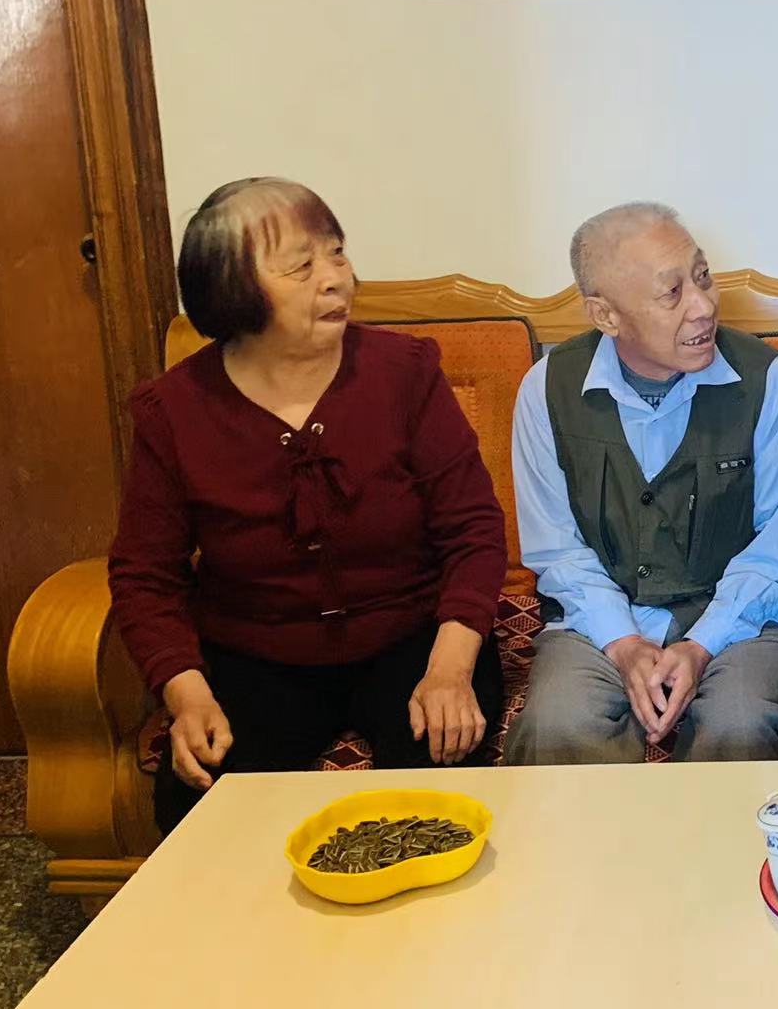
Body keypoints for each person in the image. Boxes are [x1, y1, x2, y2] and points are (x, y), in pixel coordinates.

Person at [109, 178, 508, 832]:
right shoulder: (174, 411)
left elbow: (473, 530)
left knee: (433, 799)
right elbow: (145, 575)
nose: (336, 278)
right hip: (256, 654)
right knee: (200, 807)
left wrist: (450, 670)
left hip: (413, 636)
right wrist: (187, 695)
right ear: (231, 288)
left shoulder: (404, 372)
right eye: (302, 266)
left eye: (337, 252)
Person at [505, 202, 778, 764]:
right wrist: (623, 643)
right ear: (606, 315)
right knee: (557, 726)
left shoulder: (770, 382)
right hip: (598, 617)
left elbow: (775, 552)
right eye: (672, 293)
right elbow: (557, 549)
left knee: (739, 724)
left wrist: (701, 645)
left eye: (703, 277)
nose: (703, 307)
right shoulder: (547, 389)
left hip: (744, 616)